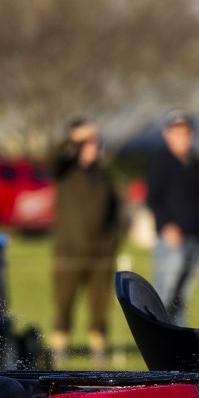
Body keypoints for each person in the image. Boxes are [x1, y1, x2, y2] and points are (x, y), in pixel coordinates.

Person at [49, 118, 124, 367]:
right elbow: (51, 161)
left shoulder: (104, 176)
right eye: (87, 142)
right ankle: (60, 351)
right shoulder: (65, 171)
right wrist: (75, 138)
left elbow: (117, 213)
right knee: (64, 302)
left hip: (101, 254)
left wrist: (112, 243)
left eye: (94, 142)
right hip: (69, 252)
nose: (92, 147)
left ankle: (98, 352)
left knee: (100, 306)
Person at [146, 110, 199, 322]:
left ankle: (178, 348)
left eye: (186, 132)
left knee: (182, 297)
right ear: (167, 134)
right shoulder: (160, 161)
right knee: (165, 295)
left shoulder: (195, 162)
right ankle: (157, 342)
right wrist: (166, 226)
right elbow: (153, 198)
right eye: (177, 132)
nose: (183, 137)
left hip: (194, 236)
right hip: (171, 239)